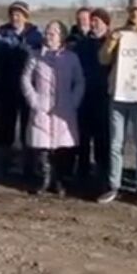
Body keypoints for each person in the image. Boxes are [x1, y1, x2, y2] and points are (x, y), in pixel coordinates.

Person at [97, 0, 137, 206]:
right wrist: (112, 41)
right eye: (132, 9)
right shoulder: (118, 33)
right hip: (119, 94)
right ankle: (113, 184)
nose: (136, 13)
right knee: (116, 143)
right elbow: (103, 59)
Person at [21, 20, 85, 196]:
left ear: (61, 37)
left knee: (62, 148)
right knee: (42, 148)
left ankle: (60, 181)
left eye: (53, 33)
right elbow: (26, 79)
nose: (48, 36)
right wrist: (34, 100)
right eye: (47, 32)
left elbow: (79, 81)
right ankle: (44, 179)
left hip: (64, 107)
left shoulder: (71, 58)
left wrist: (73, 101)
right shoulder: (35, 56)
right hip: (42, 105)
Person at [0, 1, 43, 177]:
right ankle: (1, 168)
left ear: (26, 16)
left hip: (28, 90)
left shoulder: (36, 37)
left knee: (28, 130)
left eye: (19, 14)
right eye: (13, 14)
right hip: (5, 90)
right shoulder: (0, 35)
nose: (15, 17)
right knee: (4, 130)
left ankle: (29, 169)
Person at [72, 8, 112, 193]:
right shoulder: (82, 44)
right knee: (83, 138)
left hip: (104, 97)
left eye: (97, 21)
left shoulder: (112, 43)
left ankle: (102, 177)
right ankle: (82, 174)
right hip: (84, 95)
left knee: (103, 140)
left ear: (106, 23)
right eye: (92, 20)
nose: (93, 23)